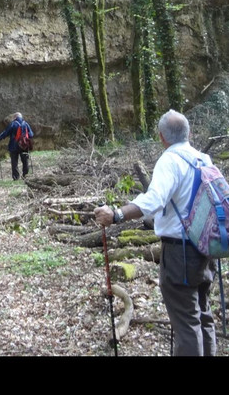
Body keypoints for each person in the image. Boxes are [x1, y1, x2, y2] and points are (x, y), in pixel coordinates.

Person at [94, 109, 217, 356]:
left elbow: (154, 200)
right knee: (202, 315)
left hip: (180, 253)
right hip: (207, 248)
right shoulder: (203, 159)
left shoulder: (170, 161)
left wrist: (117, 215)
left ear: (161, 137)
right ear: (189, 133)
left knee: (187, 323)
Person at [0, 112, 33, 180]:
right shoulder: (25, 124)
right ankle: (25, 175)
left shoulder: (13, 124)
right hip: (24, 145)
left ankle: (16, 177)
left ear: (15, 117)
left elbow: (6, 133)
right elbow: (31, 134)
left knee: (14, 162)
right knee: (25, 161)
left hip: (14, 145)